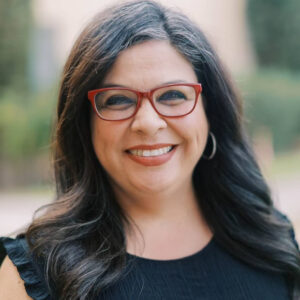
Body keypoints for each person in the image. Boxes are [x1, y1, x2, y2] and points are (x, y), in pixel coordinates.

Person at [0, 0, 299, 299]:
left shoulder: (271, 242)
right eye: (117, 100)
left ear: (210, 112)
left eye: (172, 95)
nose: (148, 122)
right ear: (84, 123)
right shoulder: (34, 274)